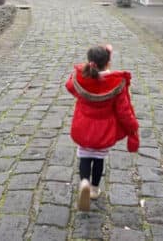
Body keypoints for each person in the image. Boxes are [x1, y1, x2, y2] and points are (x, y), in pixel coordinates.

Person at [65, 44, 139, 211]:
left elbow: (69, 86)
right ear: (108, 63)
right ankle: (94, 189)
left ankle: (84, 181)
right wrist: (132, 127)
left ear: (89, 62)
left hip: (83, 128)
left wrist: (81, 70)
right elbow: (124, 111)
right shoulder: (115, 83)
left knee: (84, 156)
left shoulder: (81, 78)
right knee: (98, 159)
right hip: (104, 132)